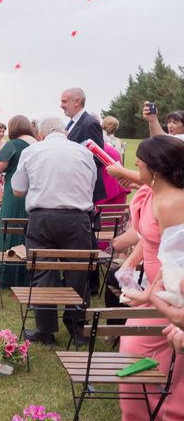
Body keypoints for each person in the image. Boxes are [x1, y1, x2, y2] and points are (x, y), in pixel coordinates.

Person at [11, 117, 97, 347]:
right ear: (64, 133)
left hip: (42, 218)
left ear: (41, 134)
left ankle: (46, 330)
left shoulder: (33, 151)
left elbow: (18, 189)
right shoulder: (83, 152)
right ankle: (78, 329)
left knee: (43, 272)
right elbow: (91, 186)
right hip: (77, 218)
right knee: (78, 272)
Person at [116, 135, 184, 420]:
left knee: (139, 354)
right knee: (132, 351)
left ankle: (159, 412)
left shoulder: (172, 202)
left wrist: (154, 295)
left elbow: (178, 266)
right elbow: (155, 245)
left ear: (155, 170)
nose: (135, 170)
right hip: (157, 291)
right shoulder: (156, 193)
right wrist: (139, 281)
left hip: (174, 297)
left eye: (139, 165)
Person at [0, 115, 36, 288]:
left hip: (15, 196)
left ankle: (8, 277)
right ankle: (28, 276)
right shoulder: (38, 144)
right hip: (35, 196)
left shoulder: (13, 145)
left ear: (13, 128)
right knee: (29, 232)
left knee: (11, 231)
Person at [60, 87, 106, 202]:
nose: (61, 105)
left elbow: (98, 158)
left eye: (64, 101)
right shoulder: (71, 124)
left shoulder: (89, 124)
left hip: (84, 190)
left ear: (77, 101)